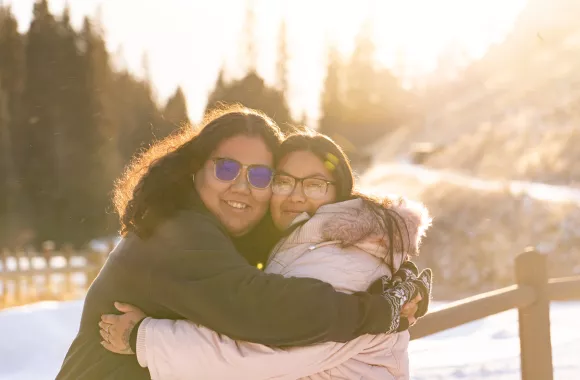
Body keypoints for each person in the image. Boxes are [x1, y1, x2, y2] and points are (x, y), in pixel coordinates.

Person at [56, 106, 428, 380]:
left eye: (262, 175)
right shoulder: (177, 232)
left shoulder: (238, 235)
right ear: (196, 168)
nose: (242, 186)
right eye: (227, 168)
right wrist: (382, 311)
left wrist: (398, 269)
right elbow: (262, 310)